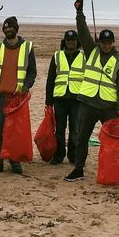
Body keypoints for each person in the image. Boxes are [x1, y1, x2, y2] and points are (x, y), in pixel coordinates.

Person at [64, 0, 119, 182]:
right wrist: (79, 12)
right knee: (81, 138)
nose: (106, 45)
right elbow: (83, 32)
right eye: (103, 42)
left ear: (113, 43)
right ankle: (78, 169)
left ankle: (113, 169)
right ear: (99, 42)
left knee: (113, 141)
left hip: (109, 106)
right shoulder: (91, 51)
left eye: (109, 43)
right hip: (88, 103)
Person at [0, 16, 37, 174]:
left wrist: (26, 86)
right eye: (5, 28)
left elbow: (32, 72)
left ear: (16, 28)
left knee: (14, 131)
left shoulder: (27, 46)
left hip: (17, 98)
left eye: (11, 27)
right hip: (0, 96)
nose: (8, 30)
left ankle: (15, 162)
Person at [45, 30, 85, 165]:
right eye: (68, 40)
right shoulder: (57, 56)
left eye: (73, 40)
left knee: (75, 130)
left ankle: (73, 156)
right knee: (59, 130)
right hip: (60, 99)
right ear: (64, 42)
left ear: (77, 42)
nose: (71, 42)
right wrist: (48, 101)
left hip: (77, 100)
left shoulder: (84, 57)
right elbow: (51, 79)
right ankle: (59, 155)